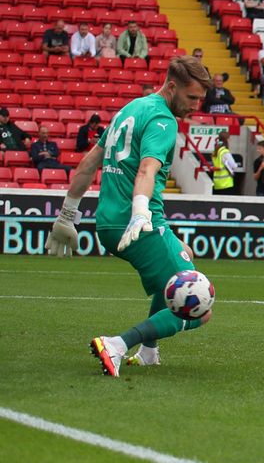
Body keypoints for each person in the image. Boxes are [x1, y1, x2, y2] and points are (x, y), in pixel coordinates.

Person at [44, 57, 214, 377]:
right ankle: (118, 344)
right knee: (198, 307)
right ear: (172, 86)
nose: (196, 106)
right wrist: (140, 213)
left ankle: (149, 352)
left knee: (182, 260)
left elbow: (89, 162)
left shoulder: (130, 109)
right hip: (135, 223)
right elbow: (147, 169)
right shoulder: (163, 120)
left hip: (108, 224)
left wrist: (66, 216)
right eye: (192, 98)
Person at [211, 131, 238, 195]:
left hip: (217, 182)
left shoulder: (216, 150)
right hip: (226, 183)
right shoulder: (224, 151)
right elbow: (233, 165)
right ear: (227, 139)